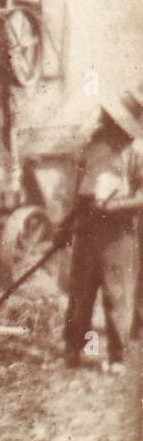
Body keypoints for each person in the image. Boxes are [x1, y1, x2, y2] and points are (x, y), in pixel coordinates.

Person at [61, 84, 143, 373]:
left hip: (117, 233)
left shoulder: (136, 152)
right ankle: (73, 348)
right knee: (80, 292)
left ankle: (117, 355)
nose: (107, 122)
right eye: (107, 117)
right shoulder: (90, 145)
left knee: (116, 294)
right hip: (86, 226)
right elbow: (75, 190)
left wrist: (114, 207)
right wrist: (66, 224)